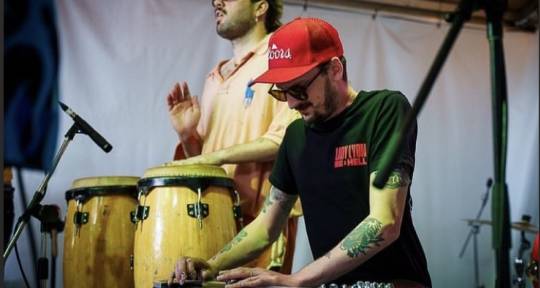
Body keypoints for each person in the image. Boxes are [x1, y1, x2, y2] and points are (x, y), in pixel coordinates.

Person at [170, 17, 432, 287]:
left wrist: (298, 280)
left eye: (297, 88)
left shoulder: (385, 109)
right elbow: (265, 227)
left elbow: (384, 221)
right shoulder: (295, 136)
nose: (292, 102)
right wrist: (211, 265)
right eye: (282, 92)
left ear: (334, 69)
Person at [166, 0, 301, 273]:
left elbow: (285, 139)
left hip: (263, 221)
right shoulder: (214, 76)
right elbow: (203, 162)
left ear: (260, 8)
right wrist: (188, 135)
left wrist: (217, 155)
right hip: (213, 214)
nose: (217, 1)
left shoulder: (282, 56)